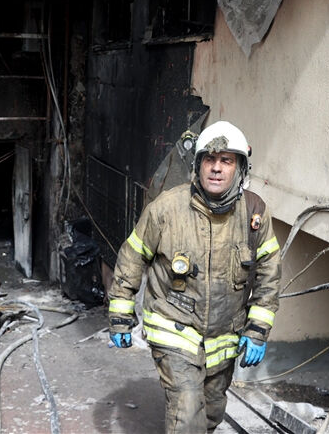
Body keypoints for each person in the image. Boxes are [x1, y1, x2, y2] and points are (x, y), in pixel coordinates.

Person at [107, 120, 281, 432]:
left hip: (223, 336)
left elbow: (270, 272)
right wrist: (121, 311)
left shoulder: (254, 214)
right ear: (198, 165)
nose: (216, 168)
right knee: (187, 414)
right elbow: (132, 256)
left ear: (240, 168)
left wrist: (257, 330)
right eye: (210, 160)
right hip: (173, 328)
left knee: (210, 413)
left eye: (226, 161)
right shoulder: (167, 209)